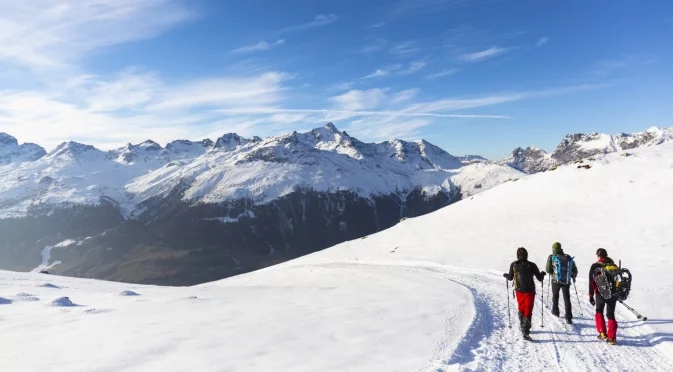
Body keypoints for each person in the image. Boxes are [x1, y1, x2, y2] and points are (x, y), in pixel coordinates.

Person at [503, 247, 546, 341]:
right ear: (527, 254)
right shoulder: (532, 265)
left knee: (521, 308)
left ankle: (523, 326)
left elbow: (510, 278)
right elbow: (540, 278)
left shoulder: (513, 264)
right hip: (530, 291)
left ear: (517, 255)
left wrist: (505, 275)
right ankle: (525, 331)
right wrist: (543, 273)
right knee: (528, 310)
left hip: (519, 291)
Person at [589, 248, 618, 345]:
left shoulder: (595, 266)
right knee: (611, 314)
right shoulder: (613, 266)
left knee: (599, 311)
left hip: (600, 293)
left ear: (598, 256)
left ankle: (602, 332)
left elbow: (591, 282)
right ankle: (612, 338)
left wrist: (591, 294)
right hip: (613, 294)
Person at [545, 242, 578, 324]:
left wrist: (553, 274)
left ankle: (555, 312)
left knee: (555, 296)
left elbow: (548, 269)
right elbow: (574, 269)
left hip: (555, 280)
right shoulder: (568, 257)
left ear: (553, 249)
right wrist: (572, 276)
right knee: (567, 298)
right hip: (566, 280)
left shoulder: (552, 257)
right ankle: (568, 317)